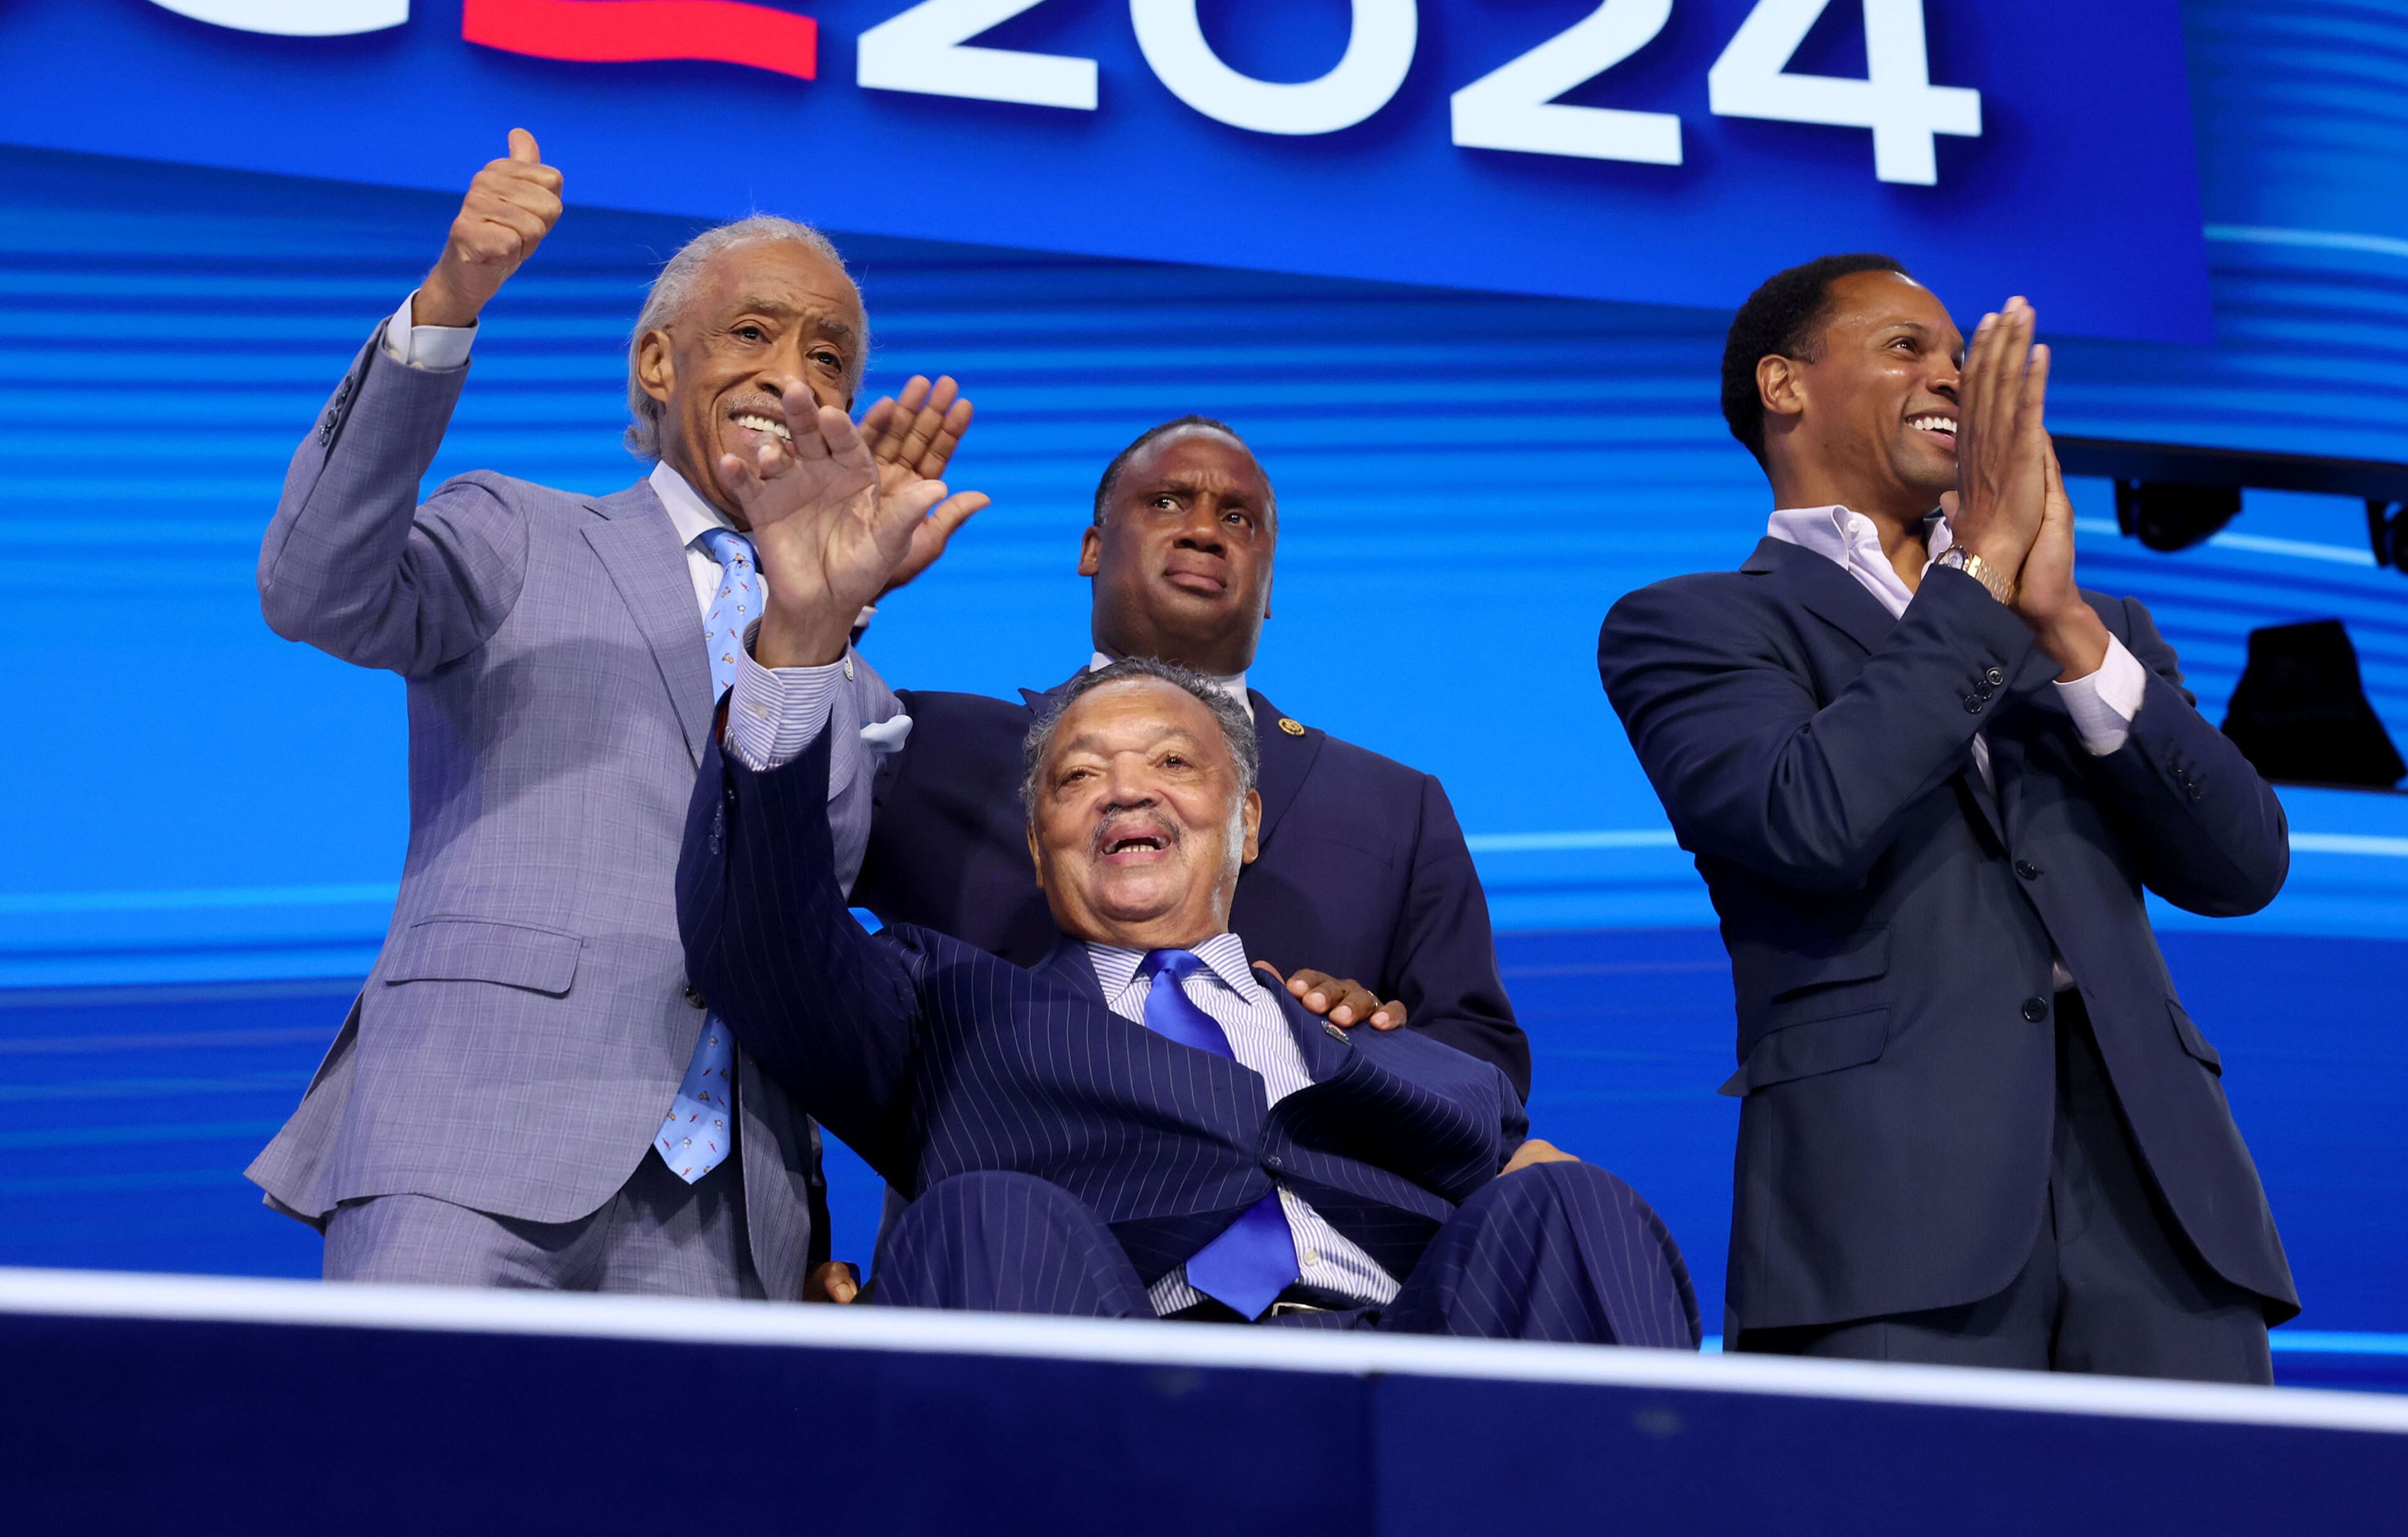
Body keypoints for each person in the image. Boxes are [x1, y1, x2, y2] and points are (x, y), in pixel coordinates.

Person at [675, 403, 1697, 1339]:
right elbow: (770, 935)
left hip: (1395, 1343)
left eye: (1172, 763)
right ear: (1036, 838)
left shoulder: (1386, 1042)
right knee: (992, 1217)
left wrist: (1508, 1147)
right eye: (1081, 773)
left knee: (1575, 1203)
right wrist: (807, 625)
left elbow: (1488, 1104)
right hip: (1092, 1327)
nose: (1129, 791)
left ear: (1248, 824)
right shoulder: (947, 1001)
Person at [243, 129, 976, 1299]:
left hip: (726, 1217)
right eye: (752, 333)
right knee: (419, 1482)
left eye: (830, 358)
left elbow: (793, 906)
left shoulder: (856, 682)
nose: (794, 378)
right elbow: (313, 587)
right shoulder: (519, 531)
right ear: (655, 365)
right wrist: (449, 303)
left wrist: (825, 614)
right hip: (470, 1142)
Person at [1597, 255, 2297, 1378]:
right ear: (1785, 385)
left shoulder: (2090, 617)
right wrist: (1977, 573)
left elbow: (2243, 864)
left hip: (2166, 1215)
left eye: (1964, 358)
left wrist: (2063, 623)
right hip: (1889, 1213)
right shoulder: (1691, 625)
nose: (1955, 378)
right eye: (1906, 348)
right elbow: (1809, 819)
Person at [850, 416, 1531, 1096]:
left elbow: (1484, 1067)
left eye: (1239, 519)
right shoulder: (936, 745)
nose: (1205, 530)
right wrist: (838, 601)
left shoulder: (1395, 807)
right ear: (1091, 548)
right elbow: (773, 877)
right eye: (1166, 502)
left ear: (1269, 591)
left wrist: (1370, 1046)